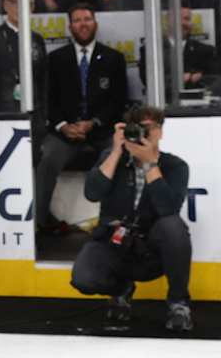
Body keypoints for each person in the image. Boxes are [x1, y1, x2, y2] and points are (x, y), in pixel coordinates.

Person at [70, 105, 193, 333]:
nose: (143, 135)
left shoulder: (175, 166)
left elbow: (168, 208)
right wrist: (116, 151)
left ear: (160, 132)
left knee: (173, 227)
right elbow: (92, 193)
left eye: (149, 129)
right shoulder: (112, 159)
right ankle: (121, 289)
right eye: (137, 129)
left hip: (151, 249)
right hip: (115, 243)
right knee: (83, 278)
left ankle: (179, 303)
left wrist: (149, 164)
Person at [34, 4, 128, 239]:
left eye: (87, 19)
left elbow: (118, 101)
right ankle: (39, 223)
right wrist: (63, 125)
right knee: (46, 157)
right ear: (70, 26)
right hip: (64, 132)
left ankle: (111, 224)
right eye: (77, 20)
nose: (83, 24)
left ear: (95, 23)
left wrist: (93, 122)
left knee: (116, 154)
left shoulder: (113, 58)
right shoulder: (55, 59)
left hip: (101, 130)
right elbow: (47, 100)